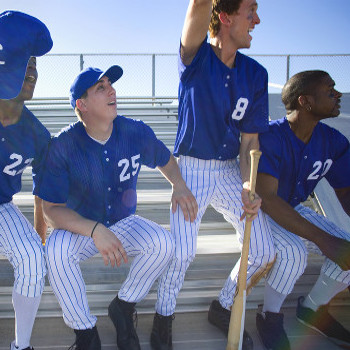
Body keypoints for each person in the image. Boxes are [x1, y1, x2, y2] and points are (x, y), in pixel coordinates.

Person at [37, 66, 198, 350]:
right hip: (81, 229)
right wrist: (95, 230)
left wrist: (179, 184)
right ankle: (85, 332)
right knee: (56, 250)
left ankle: (122, 307)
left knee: (163, 243)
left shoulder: (133, 130)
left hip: (124, 222)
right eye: (101, 88)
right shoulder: (63, 144)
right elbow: (51, 208)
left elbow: (165, 159)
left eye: (110, 84)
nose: (112, 90)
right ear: (82, 105)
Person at [151, 1, 276, 349]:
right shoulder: (196, 56)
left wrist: (249, 184)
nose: (257, 19)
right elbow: (198, 7)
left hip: (229, 170)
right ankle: (164, 316)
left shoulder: (256, 74)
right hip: (190, 168)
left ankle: (222, 306)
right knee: (183, 252)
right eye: (250, 11)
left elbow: (250, 139)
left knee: (265, 250)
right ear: (224, 17)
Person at [256, 70, 350, 350]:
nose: (338, 95)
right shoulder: (270, 135)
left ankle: (311, 308)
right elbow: (269, 199)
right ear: (306, 101)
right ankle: (269, 315)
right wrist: (323, 239)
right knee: (293, 253)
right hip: (260, 208)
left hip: (293, 206)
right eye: (330, 91)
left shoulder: (333, 140)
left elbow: (345, 192)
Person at [0, 11, 53, 350]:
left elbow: (41, 192)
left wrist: (38, 234)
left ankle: (22, 346)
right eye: (24, 64)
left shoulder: (37, 134)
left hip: (2, 207)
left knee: (34, 257)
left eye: (34, 66)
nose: (32, 72)